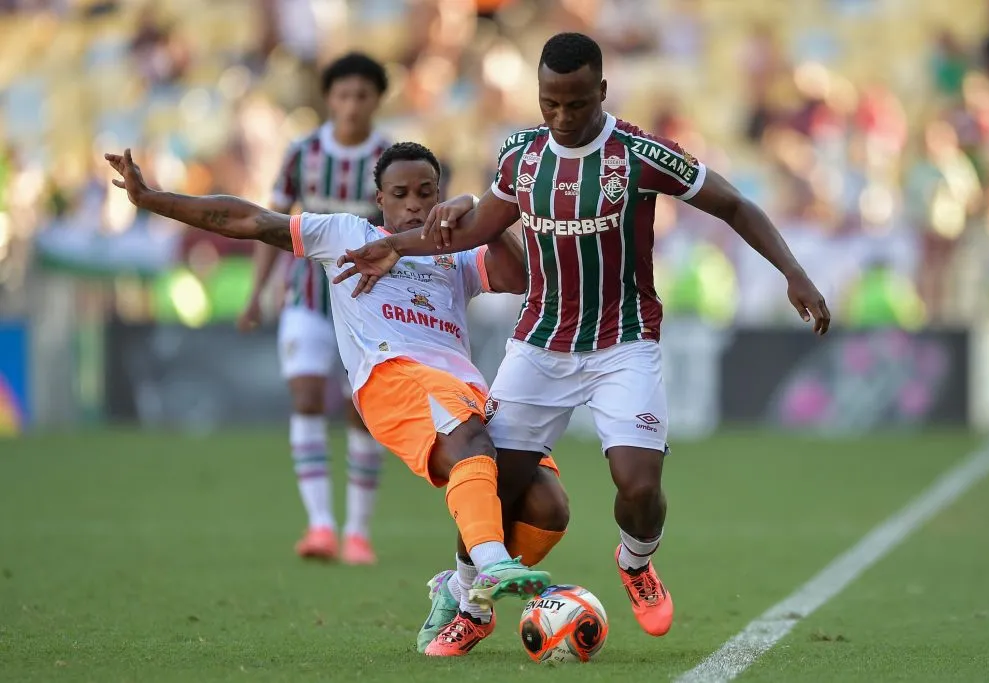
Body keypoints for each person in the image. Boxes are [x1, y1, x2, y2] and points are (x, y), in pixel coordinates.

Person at [334, 32, 832, 638]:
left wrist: (794, 272)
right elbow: (476, 229)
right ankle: (468, 603)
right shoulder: (520, 155)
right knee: (498, 481)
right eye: (550, 104)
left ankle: (636, 563)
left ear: (601, 92)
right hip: (540, 343)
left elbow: (735, 206)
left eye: (575, 103)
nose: (562, 117)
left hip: (624, 341)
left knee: (639, 485)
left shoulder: (643, 154)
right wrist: (393, 244)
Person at [105, 141, 563, 653]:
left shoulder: (452, 248)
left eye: (426, 192)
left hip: (463, 388)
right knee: (471, 443)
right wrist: (152, 199)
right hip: (391, 377)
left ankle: (458, 592)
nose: (414, 204)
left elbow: (522, 277)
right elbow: (249, 220)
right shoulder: (347, 232)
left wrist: (483, 219)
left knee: (548, 507)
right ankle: (492, 569)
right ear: (379, 199)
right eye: (401, 193)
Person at [237, 53, 391, 564]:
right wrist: (257, 292)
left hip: (368, 303)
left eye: (361, 96)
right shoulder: (302, 153)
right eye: (342, 95)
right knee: (305, 395)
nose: (351, 105)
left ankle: (359, 532)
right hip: (305, 295)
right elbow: (269, 225)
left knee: (361, 413)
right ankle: (321, 525)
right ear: (329, 98)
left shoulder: (390, 159)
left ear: (376, 100)